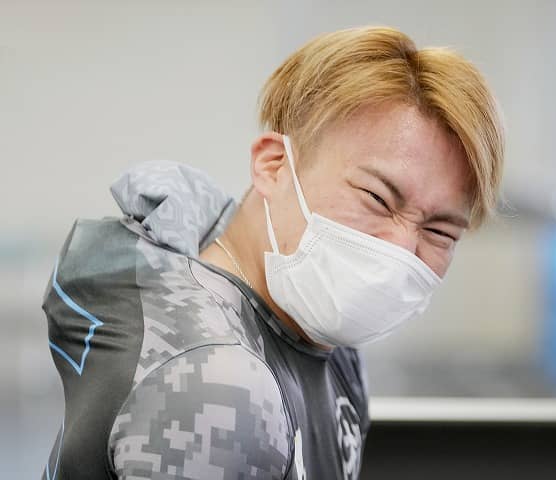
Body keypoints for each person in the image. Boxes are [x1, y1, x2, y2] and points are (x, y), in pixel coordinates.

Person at [41, 25, 504, 480]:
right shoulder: (219, 389)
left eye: (440, 231)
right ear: (273, 165)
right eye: (377, 198)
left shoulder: (323, 339)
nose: (401, 248)